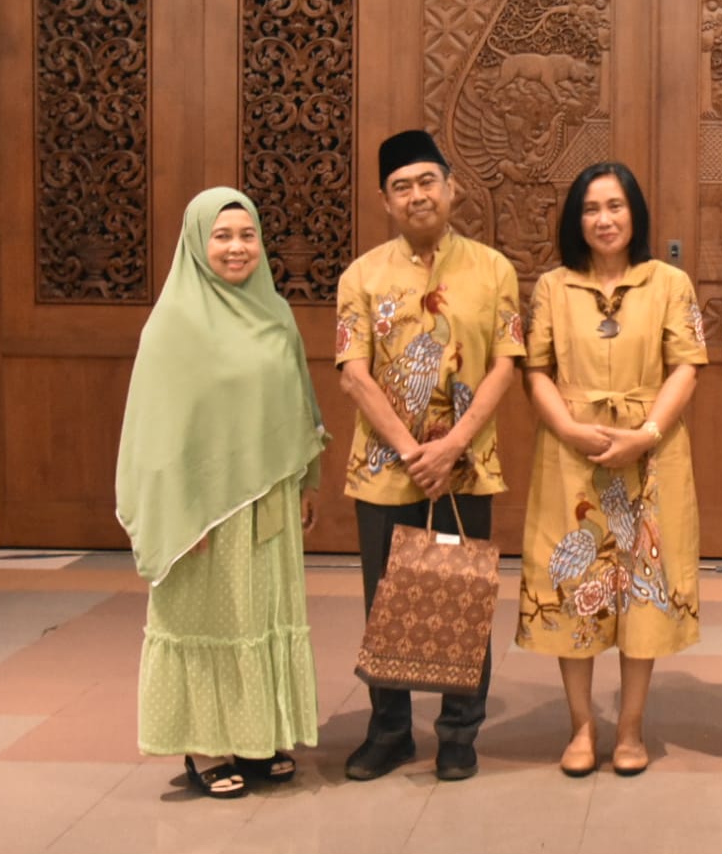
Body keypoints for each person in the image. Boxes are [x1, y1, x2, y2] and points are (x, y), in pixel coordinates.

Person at [117, 188, 328, 799]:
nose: (237, 248)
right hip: (203, 511)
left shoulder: (275, 313)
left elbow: (299, 400)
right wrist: (176, 515)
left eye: (247, 235)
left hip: (269, 500)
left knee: (260, 616)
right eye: (222, 236)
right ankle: (206, 746)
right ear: (196, 243)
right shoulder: (173, 326)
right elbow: (153, 434)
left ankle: (255, 736)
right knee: (209, 620)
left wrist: (308, 480)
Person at [335, 129, 525, 782]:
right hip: (385, 468)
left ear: (451, 188)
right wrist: (413, 450)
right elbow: (354, 374)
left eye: (427, 181)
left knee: (459, 595)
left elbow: (505, 365)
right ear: (385, 201)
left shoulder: (493, 270)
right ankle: (389, 731)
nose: (417, 195)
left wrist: (452, 445)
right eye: (401, 187)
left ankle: (458, 733)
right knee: (387, 601)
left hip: (463, 467)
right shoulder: (361, 275)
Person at [516, 162, 707, 777]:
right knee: (575, 584)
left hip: (651, 451)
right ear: (576, 220)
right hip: (570, 452)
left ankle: (630, 727)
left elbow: (687, 365)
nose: (604, 219)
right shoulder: (552, 287)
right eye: (591, 208)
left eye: (616, 206)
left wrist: (646, 434)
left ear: (635, 214)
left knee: (641, 584)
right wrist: (570, 429)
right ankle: (581, 726)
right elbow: (535, 370)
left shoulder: (669, 282)